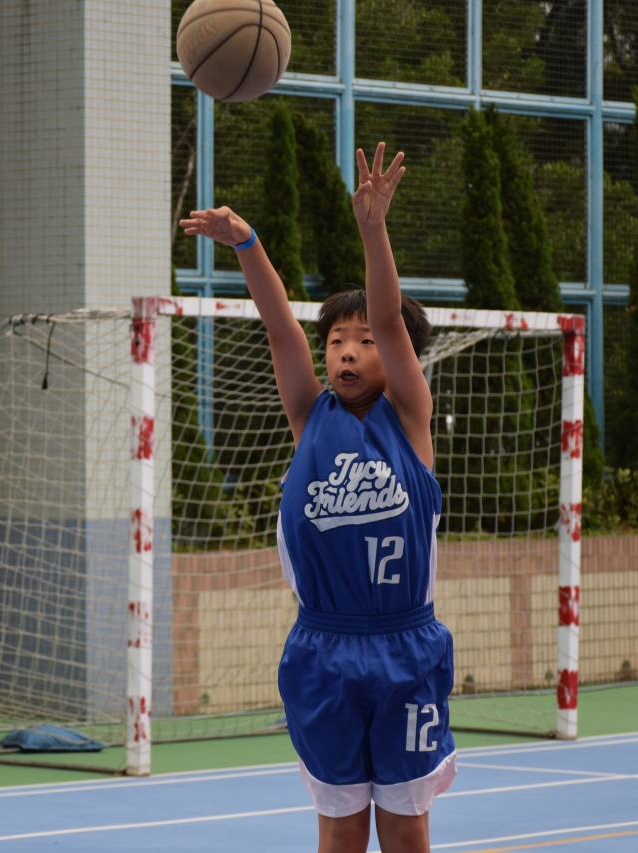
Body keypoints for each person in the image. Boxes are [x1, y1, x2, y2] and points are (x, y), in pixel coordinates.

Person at [181, 143, 454, 853]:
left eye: (364, 342)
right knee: (339, 834)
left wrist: (373, 227)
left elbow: (390, 319)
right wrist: (247, 243)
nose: (348, 351)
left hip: (405, 648)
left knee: (405, 833)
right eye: (336, 341)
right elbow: (280, 328)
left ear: (397, 357)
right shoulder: (310, 417)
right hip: (323, 650)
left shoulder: (411, 419)